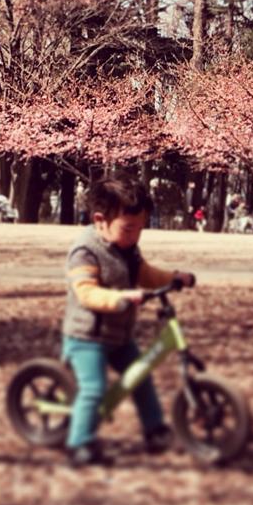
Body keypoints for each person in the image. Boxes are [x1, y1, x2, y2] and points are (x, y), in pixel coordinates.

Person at [62, 177, 196, 468]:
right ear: (100, 220)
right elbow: (85, 292)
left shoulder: (127, 247)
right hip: (88, 337)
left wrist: (173, 277)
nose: (135, 236)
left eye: (140, 229)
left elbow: (144, 273)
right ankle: (79, 442)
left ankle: (154, 428)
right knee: (94, 389)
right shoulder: (84, 251)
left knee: (140, 375)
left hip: (120, 336)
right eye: (128, 228)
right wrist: (120, 298)